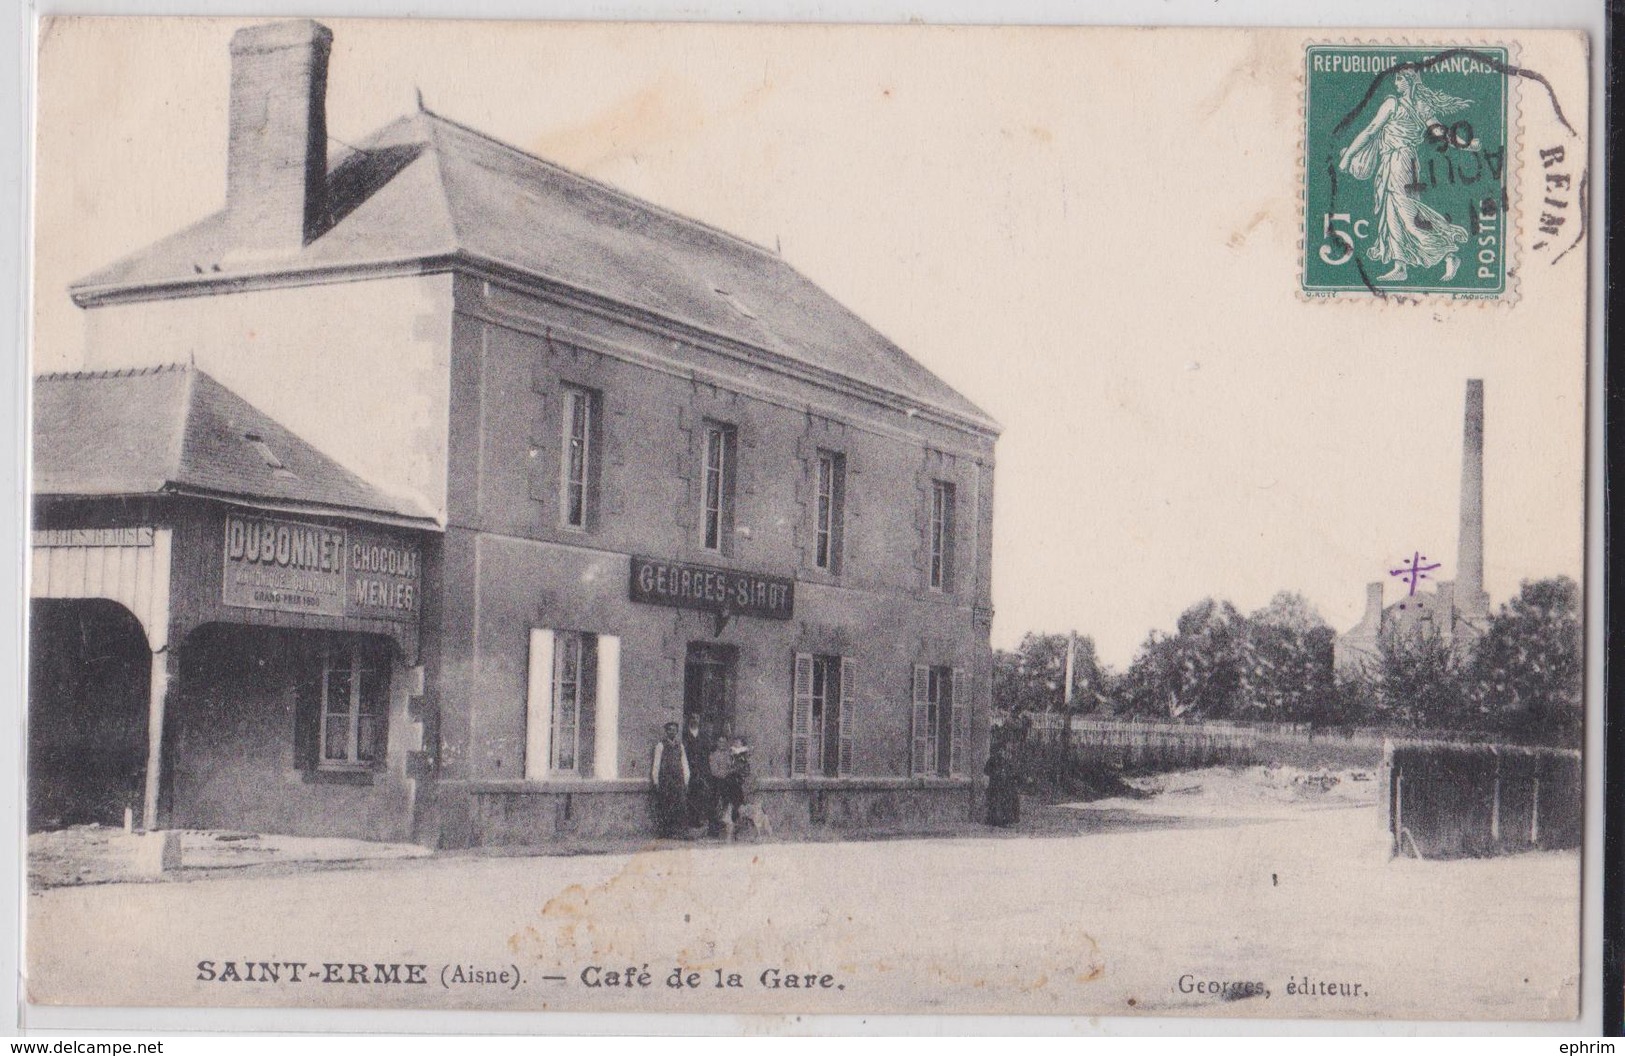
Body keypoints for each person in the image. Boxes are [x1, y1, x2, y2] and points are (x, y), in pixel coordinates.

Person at [1338, 68, 1471, 283]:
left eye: (1400, 79)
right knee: (1394, 212)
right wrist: (1462, 144)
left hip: (1399, 161)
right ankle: (1401, 266)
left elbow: (1371, 130)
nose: (1396, 83)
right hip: (1404, 162)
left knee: (1406, 214)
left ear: (1409, 81)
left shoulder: (1394, 104)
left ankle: (1448, 252)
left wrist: (1348, 156)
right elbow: (1438, 132)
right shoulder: (1421, 106)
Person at [720, 737, 772, 841]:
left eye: (738, 744)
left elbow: (745, 773)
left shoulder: (744, 759)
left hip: (742, 788)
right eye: (734, 744)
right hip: (733, 787)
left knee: (749, 811)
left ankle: (758, 834)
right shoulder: (732, 757)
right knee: (734, 810)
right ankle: (732, 835)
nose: (735, 746)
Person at [650, 721, 690, 838]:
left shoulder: (680, 746)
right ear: (666, 731)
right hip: (666, 780)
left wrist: (686, 779)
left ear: (677, 731)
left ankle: (679, 832)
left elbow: (684, 763)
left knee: (680, 804)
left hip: (678, 780)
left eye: (674, 730)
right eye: (669, 730)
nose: (672, 732)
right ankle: (666, 832)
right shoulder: (660, 746)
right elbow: (656, 764)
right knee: (666, 804)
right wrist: (656, 780)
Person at [682, 714, 715, 832]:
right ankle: (689, 820)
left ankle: (698, 819)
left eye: (696, 718)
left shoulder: (703, 735)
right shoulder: (684, 735)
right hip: (689, 768)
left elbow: (707, 752)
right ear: (688, 720)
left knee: (700, 794)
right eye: (692, 717)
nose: (694, 720)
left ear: (699, 720)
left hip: (701, 769)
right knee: (689, 793)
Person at [984, 738, 1021, 828]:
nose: (1003, 752)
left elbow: (1012, 772)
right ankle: (995, 820)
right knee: (996, 802)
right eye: (1003, 750)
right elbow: (986, 771)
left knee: (1007, 802)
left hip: (1006, 785)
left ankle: (1006, 820)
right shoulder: (993, 759)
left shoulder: (1007, 760)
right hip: (996, 784)